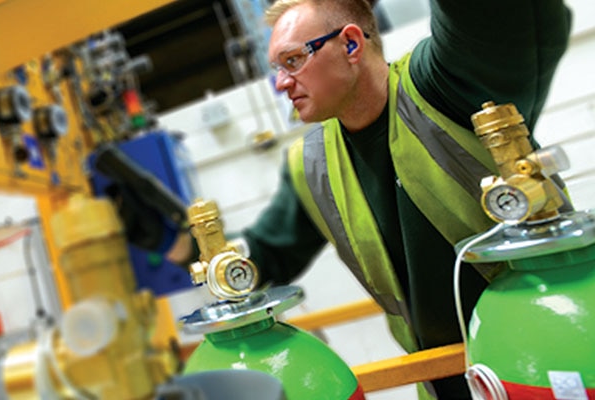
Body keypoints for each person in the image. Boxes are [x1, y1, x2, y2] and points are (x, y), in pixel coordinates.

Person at [173, 0, 572, 398]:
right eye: (277, 68)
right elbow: (261, 260)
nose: (281, 83)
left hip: (547, 359)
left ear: (350, 45)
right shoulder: (313, 164)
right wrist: (169, 244)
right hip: (443, 381)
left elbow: (494, 14)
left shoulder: (441, 86)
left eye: (293, 60)